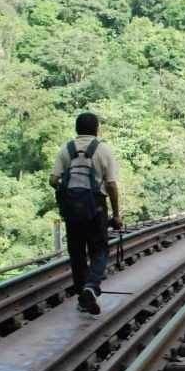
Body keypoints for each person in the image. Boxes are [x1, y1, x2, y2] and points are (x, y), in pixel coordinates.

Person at [50, 112, 121, 315]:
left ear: (76, 128)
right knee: (99, 250)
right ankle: (91, 287)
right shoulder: (103, 150)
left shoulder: (66, 149)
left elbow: (53, 180)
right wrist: (116, 214)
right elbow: (111, 184)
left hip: (72, 209)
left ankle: (82, 296)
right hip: (96, 207)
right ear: (96, 129)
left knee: (77, 253)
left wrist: (68, 191)